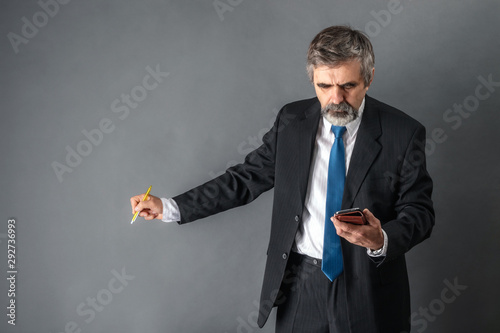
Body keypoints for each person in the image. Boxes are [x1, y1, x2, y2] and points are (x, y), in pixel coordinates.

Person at [130, 25, 434, 333]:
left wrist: (381, 240)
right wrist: (169, 206)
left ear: (368, 79)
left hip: (369, 288)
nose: (335, 98)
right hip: (300, 286)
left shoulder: (404, 133)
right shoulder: (292, 121)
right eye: (324, 85)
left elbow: (420, 213)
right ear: (313, 79)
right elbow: (245, 179)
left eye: (348, 86)